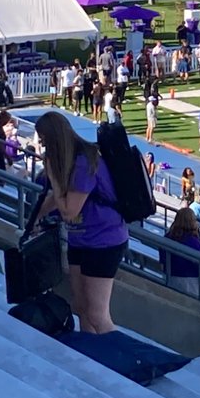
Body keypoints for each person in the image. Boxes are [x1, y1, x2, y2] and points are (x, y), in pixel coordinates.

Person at [32, 111, 128, 333]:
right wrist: (35, 217)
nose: (44, 146)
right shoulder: (71, 161)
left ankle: (120, 357)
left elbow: (67, 209)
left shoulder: (84, 161)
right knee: (81, 307)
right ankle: (92, 355)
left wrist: (53, 177)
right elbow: (59, 199)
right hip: (81, 239)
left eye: (45, 140)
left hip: (103, 240)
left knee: (97, 313)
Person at [160, 207, 200, 297]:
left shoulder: (167, 237)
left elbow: (162, 264)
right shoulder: (194, 242)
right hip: (190, 284)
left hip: (170, 279)